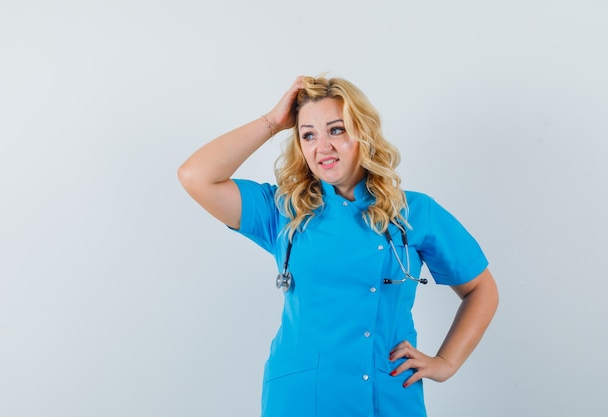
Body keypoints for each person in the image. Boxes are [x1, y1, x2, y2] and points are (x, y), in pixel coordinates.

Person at [178, 75, 499, 417]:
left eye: (336, 130)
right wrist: (272, 122)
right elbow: (196, 176)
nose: (322, 146)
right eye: (308, 135)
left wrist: (446, 362)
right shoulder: (283, 210)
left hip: (388, 392)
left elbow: (480, 288)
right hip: (300, 398)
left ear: (362, 132)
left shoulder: (415, 213)